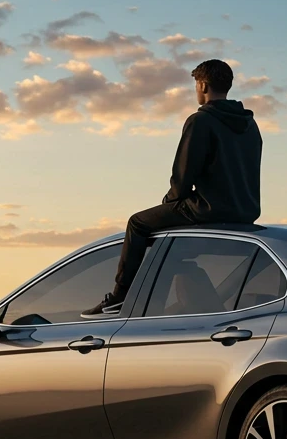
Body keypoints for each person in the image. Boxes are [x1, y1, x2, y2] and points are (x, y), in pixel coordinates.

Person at [82, 59, 262, 316]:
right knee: (176, 259)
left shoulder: (201, 121)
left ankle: (120, 296)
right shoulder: (250, 125)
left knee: (138, 223)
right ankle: (154, 306)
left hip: (206, 210)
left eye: (196, 86)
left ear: (202, 85)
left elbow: (183, 174)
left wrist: (170, 203)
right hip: (245, 211)